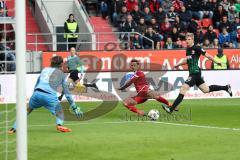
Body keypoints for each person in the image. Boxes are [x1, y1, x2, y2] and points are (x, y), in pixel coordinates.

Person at [8, 56, 82, 134]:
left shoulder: (45, 70)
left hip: (37, 93)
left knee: (27, 110)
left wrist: (35, 94)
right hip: (49, 96)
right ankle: (59, 125)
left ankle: (13, 128)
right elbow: (67, 94)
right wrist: (74, 107)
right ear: (61, 64)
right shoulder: (61, 75)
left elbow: (37, 82)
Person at [162, 33, 232, 113]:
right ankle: (226, 87)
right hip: (194, 73)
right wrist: (178, 64)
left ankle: (171, 109)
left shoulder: (197, 48)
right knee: (206, 89)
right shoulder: (188, 49)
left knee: (183, 88)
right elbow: (187, 60)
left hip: (195, 73)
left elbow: (208, 55)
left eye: (189, 39)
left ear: (192, 40)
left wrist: (216, 61)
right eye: (186, 39)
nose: (187, 41)